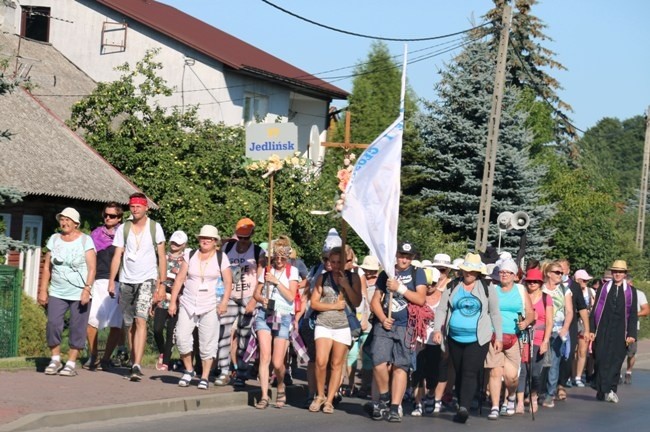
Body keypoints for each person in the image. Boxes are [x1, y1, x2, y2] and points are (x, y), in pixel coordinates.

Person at [433, 253, 502, 424]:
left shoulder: (487, 288)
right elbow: (442, 309)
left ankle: (464, 407)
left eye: (472, 271)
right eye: (466, 270)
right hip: (455, 337)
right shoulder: (453, 285)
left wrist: (498, 337)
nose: (468, 273)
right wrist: (437, 329)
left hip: (478, 338)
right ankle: (461, 403)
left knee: (470, 371)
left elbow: (494, 313)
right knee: (459, 371)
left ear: (478, 272)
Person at [108, 193, 167, 382]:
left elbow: (162, 256)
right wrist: (112, 280)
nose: (135, 209)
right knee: (129, 323)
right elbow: (117, 255)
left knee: (141, 319)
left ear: (146, 208)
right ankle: (133, 359)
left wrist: (162, 285)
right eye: (132, 206)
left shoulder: (154, 227)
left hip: (147, 279)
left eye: (139, 206)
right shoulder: (123, 228)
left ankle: (136, 365)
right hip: (126, 280)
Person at [168, 225, 232, 389]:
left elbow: (228, 281)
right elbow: (180, 278)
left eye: (209, 239)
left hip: (210, 304)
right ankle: (188, 370)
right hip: (188, 302)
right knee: (181, 338)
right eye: (202, 238)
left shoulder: (221, 257)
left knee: (207, 343)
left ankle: (204, 376)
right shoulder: (190, 255)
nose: (205, 241)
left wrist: (224, 301)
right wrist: (173, 301)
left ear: (215, 241)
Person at [369, 241, 427, 423]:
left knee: (400, 366)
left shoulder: (418, 273)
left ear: (412, 258)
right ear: (396, 256)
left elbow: (420, 299)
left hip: (406, 325)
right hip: (385, 324)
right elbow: (375, 301)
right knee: (378, 360)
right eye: (401, 255)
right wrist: (382, 317)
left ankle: (394, 407)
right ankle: (385, 396)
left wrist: (400, 288)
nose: (404, 259)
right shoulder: (387, 272)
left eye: (408, 257)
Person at [38, 207, 96, 377]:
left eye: (68, 220)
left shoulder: (86, 241)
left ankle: (70, 362)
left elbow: (92, 268)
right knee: (53, 324)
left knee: (77, 327)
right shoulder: (54, 239)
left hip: (79, 292)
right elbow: (47, 267)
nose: (64, 223)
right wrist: (43, 290)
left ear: (76, 223)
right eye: (62, 219)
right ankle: (55, 359)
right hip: (57, 291)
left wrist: (87, 289)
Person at [309, 246, 362, 414]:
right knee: (321, 360)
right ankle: (320, 395)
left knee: (336, 364)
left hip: (343, 326)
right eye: (333, 262)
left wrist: (346, 285)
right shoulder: (322, 279)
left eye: (339, 262)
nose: (336, 265)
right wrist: (332, 305)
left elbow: (357, 301)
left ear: (345, 262)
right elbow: (314, 303)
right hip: (324, 323)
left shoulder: (353, 278)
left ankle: (330, 400)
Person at [216, 217, 266, 387]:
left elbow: (262, 278)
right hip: (229, 295)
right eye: (240, 237)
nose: (243, 242)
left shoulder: (258, 252)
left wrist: (254, 300)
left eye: (247, 238)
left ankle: (242, 373)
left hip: (248, 296)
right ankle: (223, 370)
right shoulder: (227, 248)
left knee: (244, 335)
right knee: (223, 333)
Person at [253, 239, 300, 409]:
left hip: (284, 315)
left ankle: (280, 384)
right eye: (276, 258)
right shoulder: (266, 270)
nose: (279, 261)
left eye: (283, 258)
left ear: (287, 257)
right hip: (265, 315)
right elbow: (256, 294)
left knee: (277, 362)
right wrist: (262, 299)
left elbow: (290, 296)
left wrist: (276, 282)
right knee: (265, 357)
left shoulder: (292, 272)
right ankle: (264, 395)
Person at [485, 259, 534, 420]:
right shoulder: (492, 289)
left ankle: (510, 397)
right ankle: (494, 406)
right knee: (495, 371)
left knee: (511, 376)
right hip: (495, 336)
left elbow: (531, 313)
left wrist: (526, 322)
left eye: (508, 272)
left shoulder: (520, 290)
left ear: (514, 276)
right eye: (502, 272)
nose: (504, 275)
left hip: (515, 337)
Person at [299, 228, 340, 407]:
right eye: (325, 257)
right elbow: (305, 292)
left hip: (337, 322)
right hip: (314, 319)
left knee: (333, 361)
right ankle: (312, 392)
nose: (328, 261)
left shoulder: (347, 274)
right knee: (315, 359)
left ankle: (330, 393)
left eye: (331, 258)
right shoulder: (316, 270)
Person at [590, 260, 638, 403]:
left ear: (625, 274)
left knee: (616, 360)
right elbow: (595, 310)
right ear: (612, 273)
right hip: (603, 328)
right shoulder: (603, 288)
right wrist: (592, 329)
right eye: (615, 271)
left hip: (620, 330)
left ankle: (611, 389)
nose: (617, 274)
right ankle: (600, 388)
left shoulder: (631, 291)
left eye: (621, 272)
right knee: (600, 358)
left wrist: (631, 334)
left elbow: (633, 314)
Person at [85, 203, 123, 371]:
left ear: (119, 218)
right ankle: (94, 355)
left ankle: (107, 358)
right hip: (98, 280)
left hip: (118, 281)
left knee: (116, 323)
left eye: (112, 216)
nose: (108, 218)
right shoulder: (95, 235)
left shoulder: (124, 235)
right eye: (106, 215)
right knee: (91, 321)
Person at [410, 265, 447, 417]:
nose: (430, 287)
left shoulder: (444, 296)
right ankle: (418, 403)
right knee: (417, 373)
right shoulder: (418, 294)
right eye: (428, 283)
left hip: (436, 340)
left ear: (438, 282)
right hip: (418, 339)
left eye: (433, 283)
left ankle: (431, 394)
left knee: (433, 374)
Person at [516, 268, 553, 414]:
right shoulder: (522, 296)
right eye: (529, 281)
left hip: (538, 338)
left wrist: (545, 341)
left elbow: (549, 322)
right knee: (522, 371)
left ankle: (533, 397)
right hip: (523, 338)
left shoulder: (546, 298)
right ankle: (519, 402)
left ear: (540, 283)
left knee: (535, 372)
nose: (532, 284)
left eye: (535, 281)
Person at [540, 261, 574, 407]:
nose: (561, 275)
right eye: (557, 272)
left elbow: (570, 311)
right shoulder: (540, 288)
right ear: (548, 274)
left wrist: (565, 328)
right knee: (539, 362)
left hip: (557, 330)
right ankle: (536, 391)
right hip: (540, 329)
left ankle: (550, 394)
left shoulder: (564, 289)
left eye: (562, 273)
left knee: (553, 362)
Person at [153, 230, 188, 371]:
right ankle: (162, 351)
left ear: (184, 245)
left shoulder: (186, 259)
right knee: (157, 329)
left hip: (177, 298)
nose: (174, 245)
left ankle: (166, 361)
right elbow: (157, 275)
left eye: (178, 243)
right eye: (173, 241)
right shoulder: (163, 257)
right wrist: (154, 295)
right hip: (162, 296)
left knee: (171, 332)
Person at [346, 255, 379, 398]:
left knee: (366, 356)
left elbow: (369, 304)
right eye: (367, 270)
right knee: (351, 354)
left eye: (372, 271)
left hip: (370, 323)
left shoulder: (379, 283)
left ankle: (366, 385)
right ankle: (350, 385)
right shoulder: (358, 278)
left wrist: (366, 319)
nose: (369, 273)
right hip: (354, 321)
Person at [556, 259, 590, 395]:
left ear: (568, 271)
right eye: (558, 269)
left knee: (568, 356)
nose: (561, 272)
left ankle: (561, 384)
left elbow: (582, 308)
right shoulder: (550, 285)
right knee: (552, 356)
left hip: (570, 326)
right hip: (554, 324)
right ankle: (549, 385)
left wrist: (587, 329)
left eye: (563, 269)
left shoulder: (574, 286)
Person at [622, 283, 649, 384]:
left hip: (633, 327)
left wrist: (633, 314)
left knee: (631, 352)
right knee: (617, 351)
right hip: (619, 327)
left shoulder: (638, 294)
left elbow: (646, 310)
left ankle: (628, 371)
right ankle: (617, 373)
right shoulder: (618, 292)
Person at [573, 269, 595, 387]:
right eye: (584, 280)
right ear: (578, 280)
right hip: (574, 322)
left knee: (582, 350)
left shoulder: (590, 292)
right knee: (572, 351)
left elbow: (595, 307)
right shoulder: (572, 290)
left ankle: (578, 376)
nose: (586, 283)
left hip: (584, 323)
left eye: (587, 281)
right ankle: (571, 375)